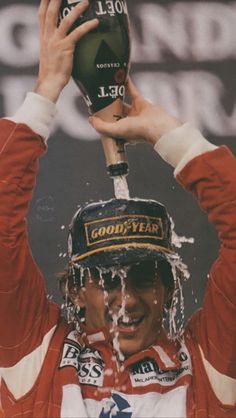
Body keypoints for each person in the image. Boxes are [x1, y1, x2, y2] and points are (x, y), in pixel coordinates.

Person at [0, 0, 235, 417]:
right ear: (75, 291)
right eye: (106, 280)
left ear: (168, 290)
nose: (126, 299)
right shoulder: (35, 356)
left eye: (144, 278)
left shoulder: (208, 365)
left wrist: (171, 136)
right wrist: (45, 91)